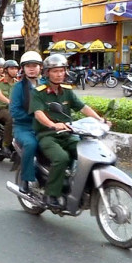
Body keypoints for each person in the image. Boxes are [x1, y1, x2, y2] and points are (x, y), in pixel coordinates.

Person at [30, 54, 109, 209]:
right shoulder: (38, 92)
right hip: (47, 135)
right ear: (47, 73)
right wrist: (52, 124)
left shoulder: (67, 91)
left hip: (68, 134)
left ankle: (79, 187)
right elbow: (38, 114)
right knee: (61, 158)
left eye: (62, 71)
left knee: (87, 153)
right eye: (55, 71)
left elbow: (83, 107)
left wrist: (100, 120)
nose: (59, 74)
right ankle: (50, 195)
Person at [9, 51, 43, 193]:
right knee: (30, 144)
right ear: (23, 68)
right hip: (24, 127)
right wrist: (35, 116)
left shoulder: (47, 85)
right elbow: (14, 111)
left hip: (45, 127)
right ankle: (26, 180)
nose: (32, 68)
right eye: (28, 66)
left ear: (40, 67)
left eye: (35, 65)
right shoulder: (18, 88)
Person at [0, 59, 19, 157]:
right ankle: (5, 145)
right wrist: (9, 102)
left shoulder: (17, 83)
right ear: (6, 70)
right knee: (11, 118)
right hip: (1, 109)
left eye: (16, 68)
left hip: (15, 109)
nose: (15, 71)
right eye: (12, 68)